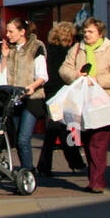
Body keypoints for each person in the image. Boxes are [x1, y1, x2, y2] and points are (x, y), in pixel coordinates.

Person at [57, 17, 110, 193]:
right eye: (85, 31)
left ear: (100, 34)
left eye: (91, 32)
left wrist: (98, 80)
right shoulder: (77, 49)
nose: (86, 34)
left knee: (98, 142)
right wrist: (75, 75)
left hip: (104, 103)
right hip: (82, 103)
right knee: (87, 142)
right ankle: (94, 179)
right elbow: (63, 69)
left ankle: (97, 182)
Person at [0, 18, 48, 173]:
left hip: (32, 99)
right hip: (15, 100)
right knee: (17, 140)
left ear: (22, 32)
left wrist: (32, 86)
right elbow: (1, 74)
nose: (8, 34)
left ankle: (28, 171)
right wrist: (5, 56)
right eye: (7, 31)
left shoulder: (36, 47)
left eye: (11, 31)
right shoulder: (10, 49)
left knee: (23, 138)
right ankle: (27, 170)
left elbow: (43, 75)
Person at [38, 21, 85, 175]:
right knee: (67, 129)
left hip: (51, 96)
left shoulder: (48, 51)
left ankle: (46, 165)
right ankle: (75, 162)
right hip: (65, 95)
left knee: (53, 130)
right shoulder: (70, 53)